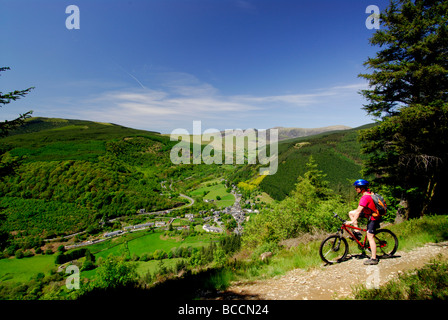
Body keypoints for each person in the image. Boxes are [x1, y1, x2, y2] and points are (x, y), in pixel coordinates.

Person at [346, 179, 380, 265]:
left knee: (370, 237)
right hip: (368, 213)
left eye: (357, 187)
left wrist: (352, 222)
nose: (355, 189)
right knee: (351, 213)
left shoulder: (365, 197)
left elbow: (358, 211)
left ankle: (374, 258)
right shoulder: (368, 193)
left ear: (362, 188)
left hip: (373, 217)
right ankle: (358, 233)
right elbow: (356, 212)